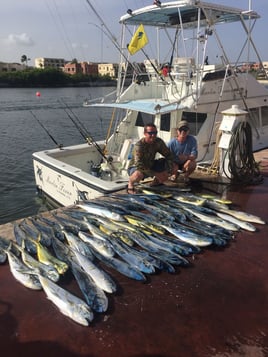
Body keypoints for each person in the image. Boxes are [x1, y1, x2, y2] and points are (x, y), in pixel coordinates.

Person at [127, 123, 173, 193]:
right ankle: (130, 183)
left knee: (171, 166)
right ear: (145, 133)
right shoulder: (139, 146)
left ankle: (156, 182)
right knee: (138, 175)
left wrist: (168, 171)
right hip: (136, 167)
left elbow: (169, 155)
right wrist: (156, 174)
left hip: (150, 164)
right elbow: (139, 165)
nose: (153, 135)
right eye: (150, 133)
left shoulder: (158, 142)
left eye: (155, 133)